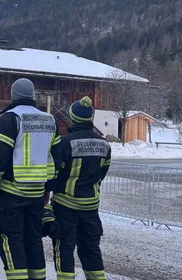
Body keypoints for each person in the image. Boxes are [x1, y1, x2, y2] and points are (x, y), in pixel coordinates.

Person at [0, 78, 61, 280]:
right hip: (36, 194)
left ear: (13, 96)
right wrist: (47, 189)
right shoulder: (49, 120)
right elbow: (55, 160)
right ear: (33, 96)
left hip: (11, 193)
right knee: (33, 239)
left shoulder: (9, 118)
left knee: (10, 239)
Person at [51, 96, 111, 280]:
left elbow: (54, 174)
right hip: (91, 208)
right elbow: (102, 173)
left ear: (72, 117)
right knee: (91, 250)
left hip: (65, 206)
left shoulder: (64, 143)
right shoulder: (105, 144)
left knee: (64, 248)